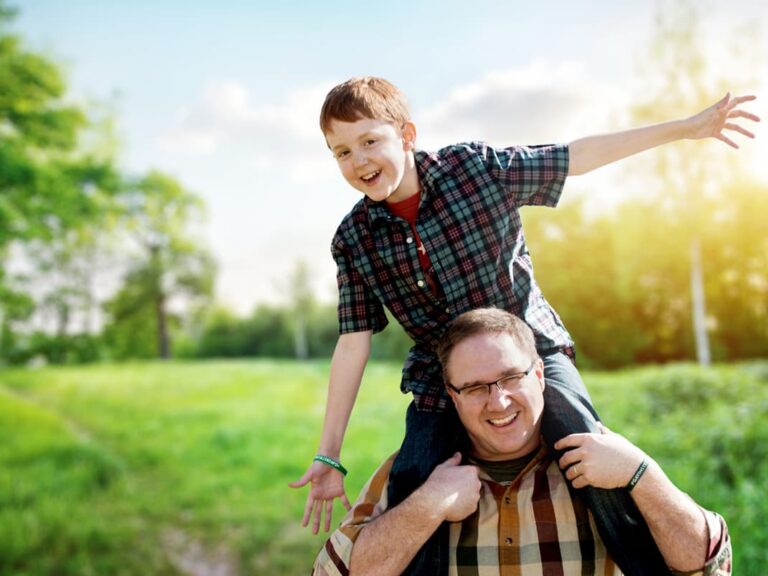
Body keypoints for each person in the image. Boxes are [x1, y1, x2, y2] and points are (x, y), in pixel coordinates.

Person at [289, 76, 757, 575]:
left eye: (369, 141)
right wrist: (329, 454)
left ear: (406, 135)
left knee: (585, 446)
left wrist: (687, 128)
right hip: (441, 374)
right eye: (341, 152)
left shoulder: (474, 170)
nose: (358, 161)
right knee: (414, 481)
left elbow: (574, 156)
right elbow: (353, 342)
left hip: (528, 352)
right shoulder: (354, 239)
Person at [313, 308, 732, 576]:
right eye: (475, 387)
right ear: (451, 395)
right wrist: (428, 504)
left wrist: (642, 474)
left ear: (539, 375)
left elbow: (710, 566)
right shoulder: (417, 472)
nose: (499, 401)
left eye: (511, 377)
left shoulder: (606, 460)